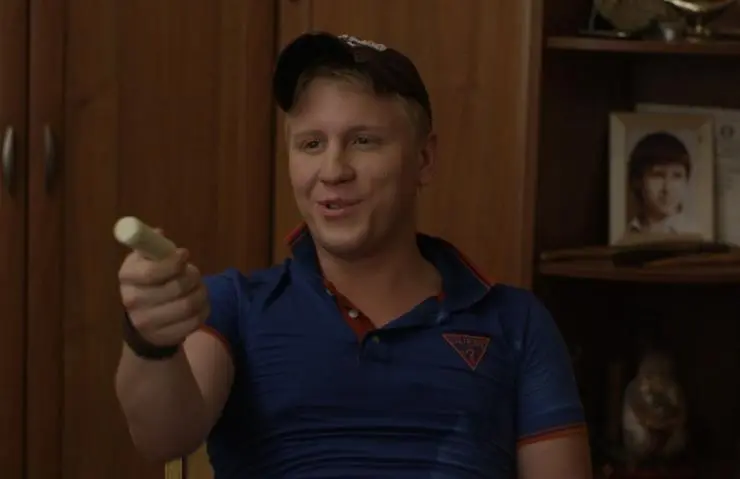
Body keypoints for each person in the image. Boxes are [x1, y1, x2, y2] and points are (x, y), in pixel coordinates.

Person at [115, 32, 592, 478]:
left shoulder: (515, 322)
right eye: (311, 144)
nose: (333, 170)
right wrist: (150, 341)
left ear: (424, 159)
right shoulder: (235, 305)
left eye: (363, 141)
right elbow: (162, 437)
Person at [625, 132, 698, 237]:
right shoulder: (625, 234)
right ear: (638, 180)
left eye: (677, 176)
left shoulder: (694, 235)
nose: (667, 188)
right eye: (658, 175)